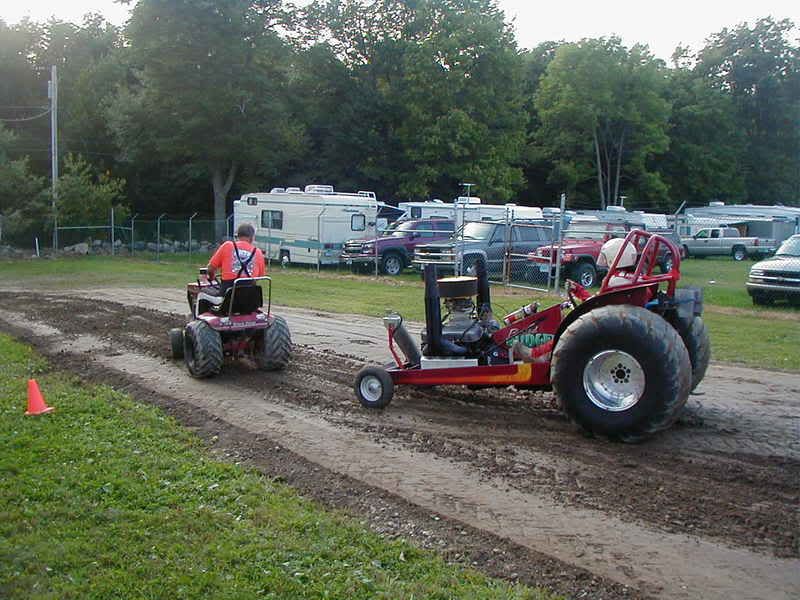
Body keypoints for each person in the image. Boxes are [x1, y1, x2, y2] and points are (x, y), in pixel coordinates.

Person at [206, 223, 266, 293]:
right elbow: (259, 276)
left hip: (228, 293)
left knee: (201, 292)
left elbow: (211, 268)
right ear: (252, 237)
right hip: (250, 295)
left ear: (237, 236)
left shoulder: (227, 246)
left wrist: (211, 277)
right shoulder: (258, 252)